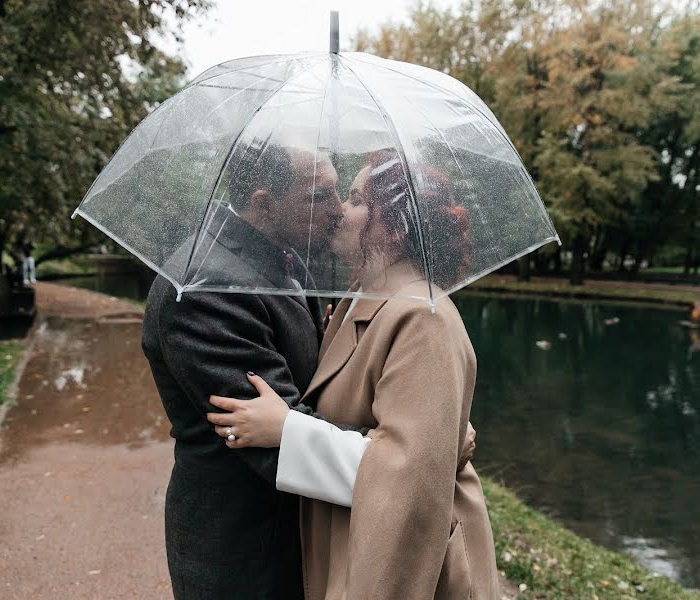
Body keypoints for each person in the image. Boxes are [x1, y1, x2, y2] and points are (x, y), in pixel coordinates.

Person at [142, 142, 477, 600]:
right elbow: (266, 438)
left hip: (311, 539)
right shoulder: (207, 288)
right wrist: (436, 448)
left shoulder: (291, 261)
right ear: (264, 203)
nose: (338, 210)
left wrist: (432, 444)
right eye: (322, 196)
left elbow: (400, 455)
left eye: (349, 196)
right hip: (249, 550)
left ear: (395, 230)